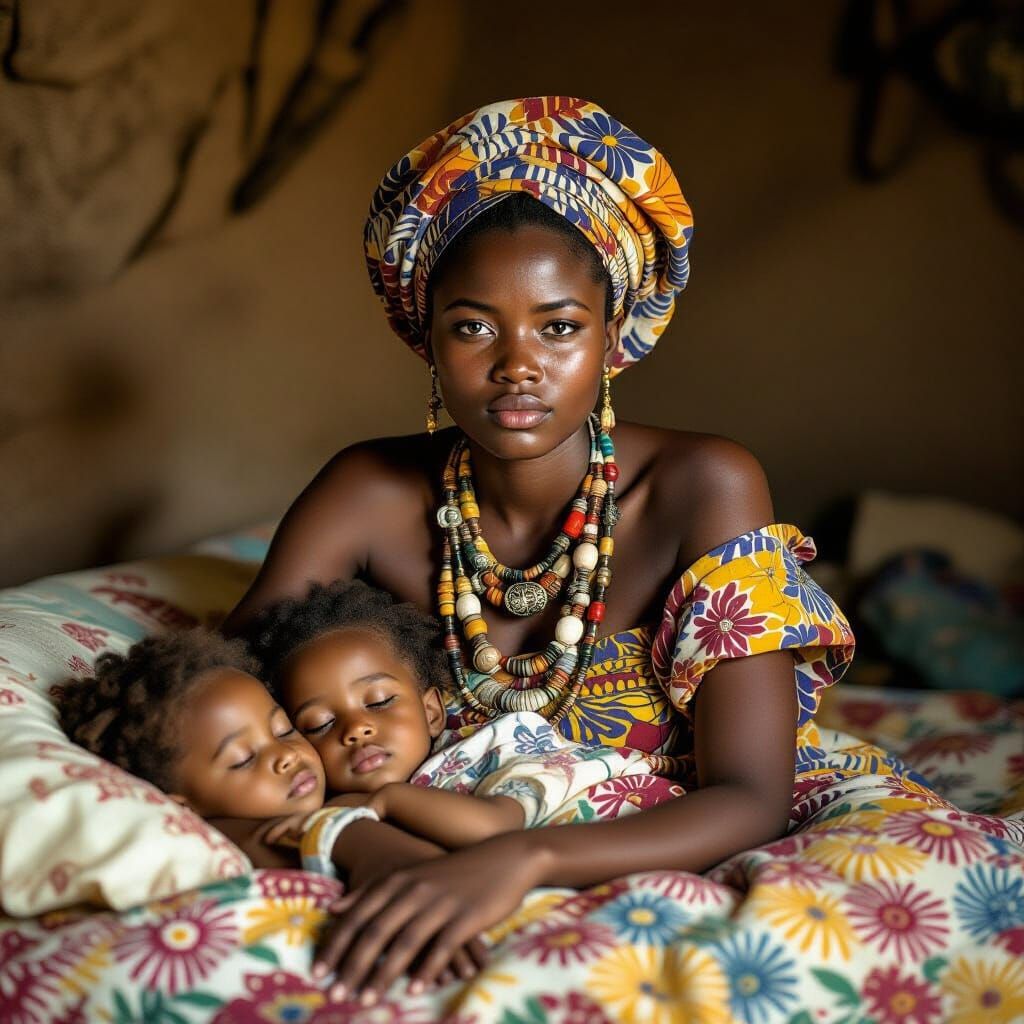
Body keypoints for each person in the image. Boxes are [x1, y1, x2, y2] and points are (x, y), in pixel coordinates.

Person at [221, 96, 859, 1004]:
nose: (516, 365)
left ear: (612, 338)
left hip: (651, 839)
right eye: (474, 326)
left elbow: (753, 796)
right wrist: (356, 838)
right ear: (427, 341)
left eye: (559, 326)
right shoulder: (366, 490)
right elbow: (216, 701)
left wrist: (522, 860)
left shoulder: (702, 485)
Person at [246, 579, 684, 853]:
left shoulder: (500, 744)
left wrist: (382, 801)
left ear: (433, 712)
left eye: (378, 701)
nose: (355, 728)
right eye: (319, 724)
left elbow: (492, 828)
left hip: (653, 832)